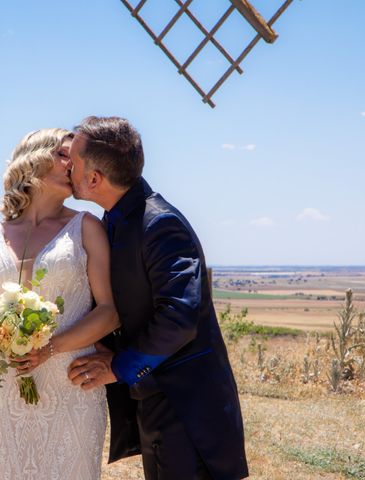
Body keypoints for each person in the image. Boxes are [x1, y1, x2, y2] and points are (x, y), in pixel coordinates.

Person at [66, 116, 249, 480]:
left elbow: (179, 317)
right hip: (160, 403)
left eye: (72, 161)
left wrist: (118, 367)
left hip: (188, 409)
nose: (65, 167)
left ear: (93, 179)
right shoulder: (115, 221)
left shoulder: (159, 223)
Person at [0, 128, 119, 480]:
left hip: (72, 381)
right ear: (34, 160)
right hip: (8, 388)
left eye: (76, 158)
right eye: (64, 155)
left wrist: (50, 349)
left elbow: (109, 312)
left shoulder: (86, 228)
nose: (73, 165)